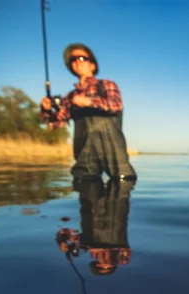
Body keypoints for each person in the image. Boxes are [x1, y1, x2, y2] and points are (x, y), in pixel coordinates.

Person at [40, 43, 137, 181]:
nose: (77, 62)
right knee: (85, 185)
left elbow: (116, 105)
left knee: (124, 181)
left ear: (92, 64)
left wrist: (90, 102)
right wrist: (46, 109)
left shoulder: (107, 85)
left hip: (113, 151)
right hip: (84, 155)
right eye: (73, 60)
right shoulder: (69, 97)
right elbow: (56, 123)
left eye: (81, 58)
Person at [56, 178, 136, 276]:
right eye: (108, 265)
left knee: (90, 183)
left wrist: (61, 242)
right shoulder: (122, 253)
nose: (105, 262)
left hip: (93, 211)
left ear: (95, 261)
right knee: (119, 186)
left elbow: (64, 232)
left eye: (100, 264)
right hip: (116, 213)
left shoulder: (85, 244)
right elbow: (124, 253)